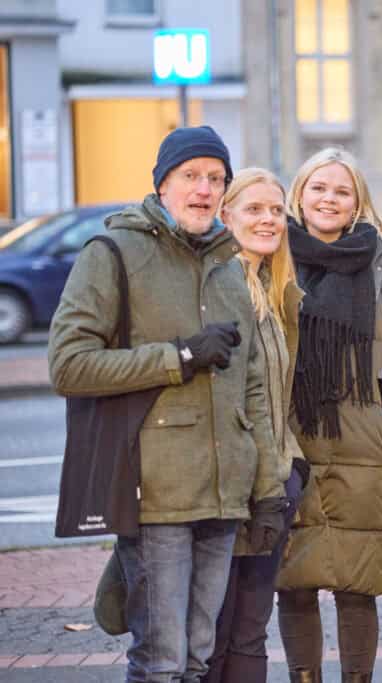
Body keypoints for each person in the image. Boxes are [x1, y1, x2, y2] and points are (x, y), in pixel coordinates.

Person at [48, 126, 286, 682]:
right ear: (162, 184)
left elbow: (252, 389)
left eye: (216, 179)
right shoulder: (113, 253)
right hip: (154, 495)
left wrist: (268, 486)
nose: (203, 189)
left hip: (224, 496)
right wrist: (178, 356)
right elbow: (69, 365)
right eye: (190, 176)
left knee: (198, 659)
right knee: (161, 662)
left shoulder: (229, 267)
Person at [274, 147, 382, 683]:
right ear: (299, 195)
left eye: (342, 191)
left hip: (362, 454)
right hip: (289, 450)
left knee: (357, 587)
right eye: (318, 188)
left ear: (357, 203)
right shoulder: (272, 263)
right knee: (292, 584)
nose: (329, 199)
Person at [202, 168, 310, 682]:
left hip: (274, 484)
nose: (268, 220)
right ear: (225, 216)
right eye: (254, 209)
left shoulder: (276, 289)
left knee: (250, 629)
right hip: (225, 489)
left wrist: (292, 469)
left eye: (276, 210)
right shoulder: (214, 288)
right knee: (211, 631)